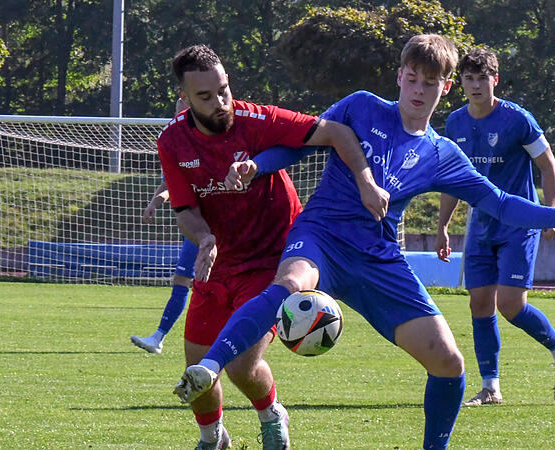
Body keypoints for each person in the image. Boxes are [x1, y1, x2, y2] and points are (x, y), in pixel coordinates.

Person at [173, 34, 555, 449]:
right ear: (400, 75)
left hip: (378, 260)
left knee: (449, 363)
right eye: (413, 78)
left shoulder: (442, 154)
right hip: (321, 234)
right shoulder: (362, 107)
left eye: (431, 82)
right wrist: (259, 165)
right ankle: (208, 368)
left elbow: (498, 202)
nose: (419, 89)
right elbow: (300, 143)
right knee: (290, 284)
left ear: (445, 87)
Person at [156, 44, 388, 450]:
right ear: (184, 99)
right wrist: (205, 238)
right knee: (196, 367)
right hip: (220, 263)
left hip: (273, 260)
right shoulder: (172, 141)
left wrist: (366, 183)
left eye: (224, 89)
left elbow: (336, 132)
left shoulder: (257, 119)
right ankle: (213, 438)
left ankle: (270, 414)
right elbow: (185, 210)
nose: (220, 102)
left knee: (242, 365)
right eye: (206, 97)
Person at [435, 48, 555, 407]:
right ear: (460, 83)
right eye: (469, 78)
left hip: (519, 224)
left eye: (483, 78)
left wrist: (550, 213)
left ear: (495, 80)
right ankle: (491, 387)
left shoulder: (517, 119)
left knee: (511, 305)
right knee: (480, 304)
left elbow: (548, 166)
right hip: (480, 225)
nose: (476, 85)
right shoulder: (455, 124)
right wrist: (443, 225)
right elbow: (452, 180)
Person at [130, 97, 198, 356]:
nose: (178, 108)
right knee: (183, 279)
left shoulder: (204, 140)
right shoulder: (176, 143)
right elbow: (169, 184)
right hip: (196, 224)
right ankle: (158, 337)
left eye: (184, 105)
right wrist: (153, 203)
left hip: (214, 223)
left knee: (203, 282)